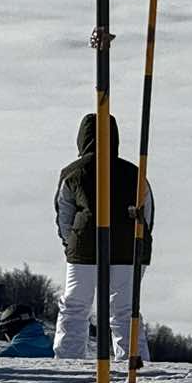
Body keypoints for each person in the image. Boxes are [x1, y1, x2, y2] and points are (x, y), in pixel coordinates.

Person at [52, 112, 153, 361]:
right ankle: (133, 360)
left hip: (84, 248)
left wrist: (70, 242)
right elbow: (146, 213)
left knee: (75, 306)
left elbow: (64, 213)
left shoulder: (72, 173)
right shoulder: (134, 173)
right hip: (128, 248)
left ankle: (68, 359)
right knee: (126, 309)